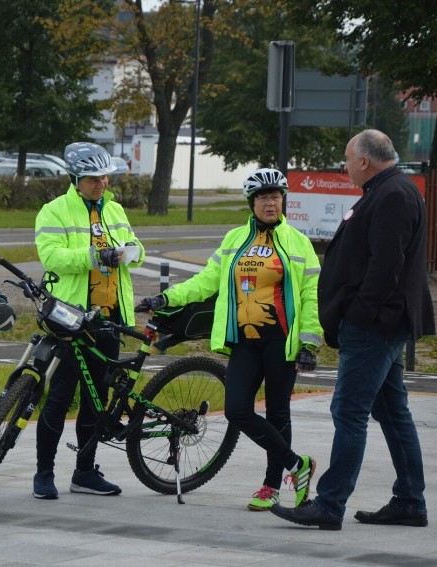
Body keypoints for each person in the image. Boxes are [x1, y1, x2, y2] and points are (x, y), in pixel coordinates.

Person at [270, 129, 436, 531]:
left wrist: (359, 315)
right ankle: (410, 501)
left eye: (347, 159)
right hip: (382, 323)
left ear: (364, 161)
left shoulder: (393, 194)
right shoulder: (389, 189)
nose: (345, 167)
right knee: (392, 412)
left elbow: (385, 267)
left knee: (349, 412)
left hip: (375, 326)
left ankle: (329, 505)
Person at [138, 168, 322, 512]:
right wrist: (166, 298)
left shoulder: (299, 243)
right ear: (251, 203)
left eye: (276, 196)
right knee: (237, 410)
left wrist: (309, 343)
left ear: (284, 200)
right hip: (244, 341)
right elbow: (206, 281)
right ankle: (298, 466)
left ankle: (270, 486)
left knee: (279, 412)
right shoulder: (235, 238)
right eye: (264, 198)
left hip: (281, 341)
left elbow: (311, 295)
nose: (271, 203)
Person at [32, 141, 145, 499]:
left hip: (108, 319)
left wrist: (129, 253)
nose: (101, 184)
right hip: (72, 318)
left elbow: (137, 250)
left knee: (96, 398)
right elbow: (52, 257)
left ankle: (84, 472)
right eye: (93, 178)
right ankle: (44, 473)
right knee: (60, 397)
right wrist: (96, 257)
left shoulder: (115, 210)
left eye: (104, 177)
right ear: (75, 179)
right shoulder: (54, 211)